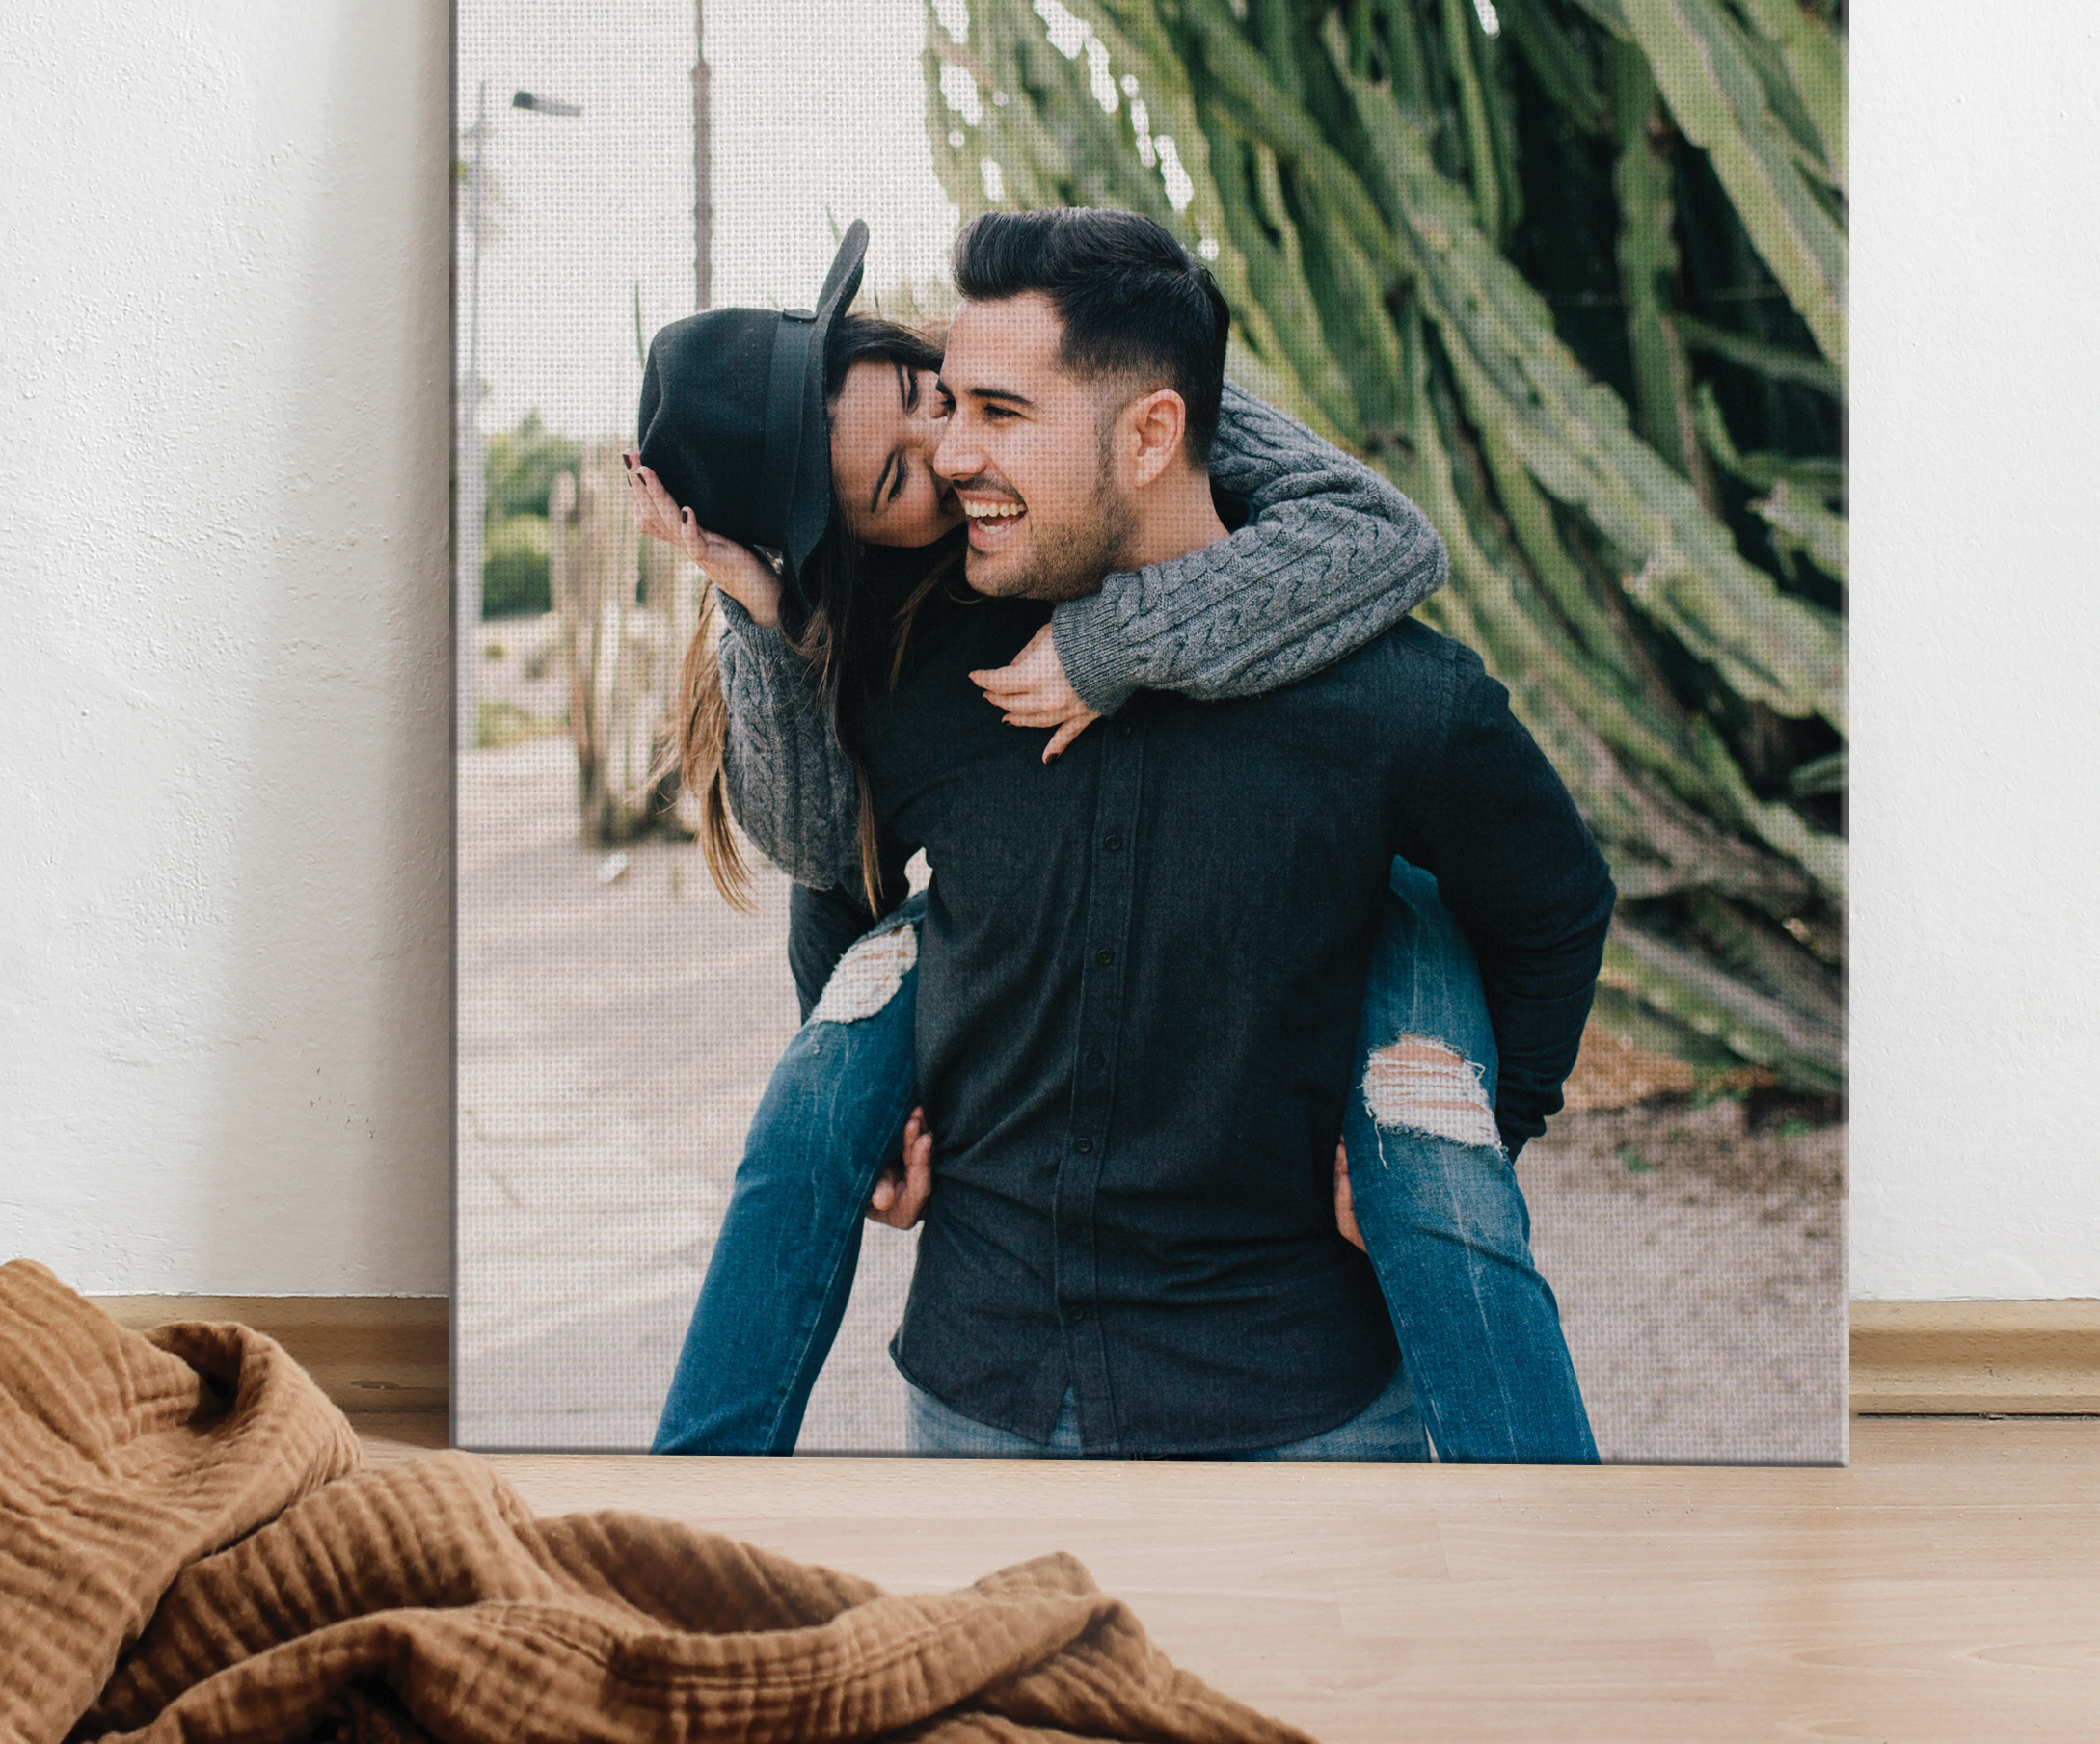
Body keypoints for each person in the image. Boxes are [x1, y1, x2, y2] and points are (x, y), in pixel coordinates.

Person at [623, 218, 1602, 1461]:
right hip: (985, 1389)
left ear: (1147, 433)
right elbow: (838, 882)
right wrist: (885, 1121)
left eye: (979, 408)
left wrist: (1463, 1142)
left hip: (1303, 1409)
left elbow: (1555, 906)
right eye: (915, 458)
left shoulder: (1381, 685)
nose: (957, 453)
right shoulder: (913, 662)